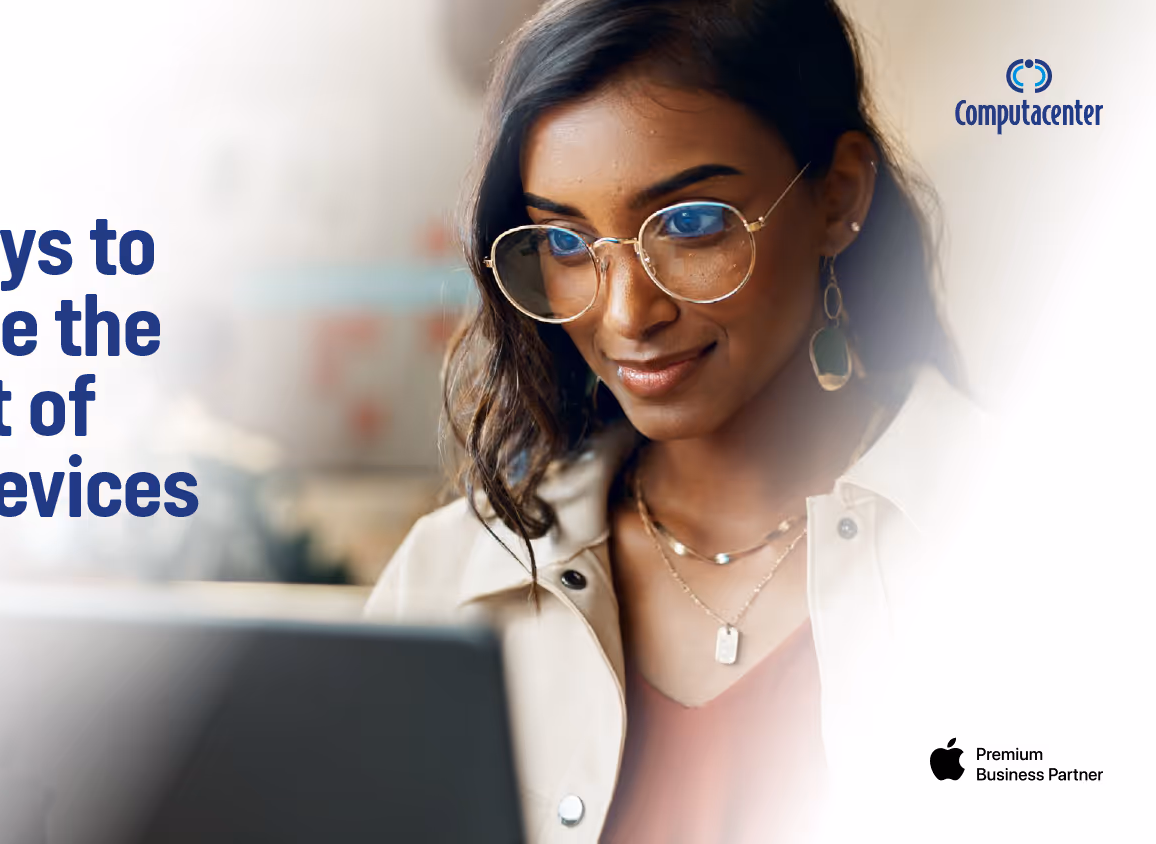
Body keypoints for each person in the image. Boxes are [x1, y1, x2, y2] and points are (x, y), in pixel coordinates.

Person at [364, 1, 992, 842]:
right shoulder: (450, 581)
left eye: (691, 224)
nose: (627, 313)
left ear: (837, 196)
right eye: (564, 242)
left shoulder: (1050, 543)